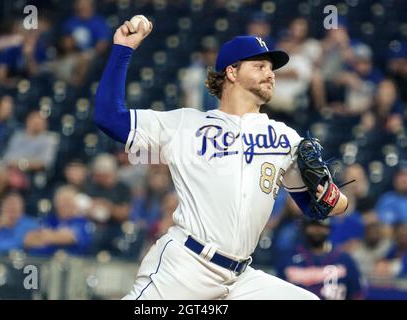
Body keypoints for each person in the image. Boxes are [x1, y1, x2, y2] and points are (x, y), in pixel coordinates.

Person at [94, 19, 349, 300]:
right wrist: (123, 49)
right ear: (231, 71)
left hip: (240, 280)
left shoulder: (285, 137)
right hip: (185, 267)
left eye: (271, 68)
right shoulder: (185, 124)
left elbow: (317, 208)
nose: (271, 74)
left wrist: (332, 196)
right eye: (260, 66)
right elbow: (108, 117)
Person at [276, 219, 365, 300]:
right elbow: (278, 293)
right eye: (313, 226)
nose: (317, 230)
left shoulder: (344, 259)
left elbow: (356, 294)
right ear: (305, 228)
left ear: (329, 229)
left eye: (321, 226)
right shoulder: (288, 258)